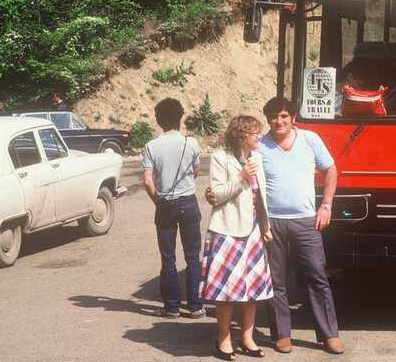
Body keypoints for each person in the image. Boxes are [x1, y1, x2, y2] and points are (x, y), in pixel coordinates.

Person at [207, 97, 344, 355]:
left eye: (283, 116)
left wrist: (326, 205)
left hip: (306, 221)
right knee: (275, 281)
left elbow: (331, 169)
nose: (278, 121)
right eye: (273, 117)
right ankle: (282, 334)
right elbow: (238, 174)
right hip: (270, 224)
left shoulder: (310, 140)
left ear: (293, 117)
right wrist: (212, 193)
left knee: (316, 276)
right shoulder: (259, 146)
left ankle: (329, 335)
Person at [200, 116, 273, 360]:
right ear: (241, 135)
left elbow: (261, 195)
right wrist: (240, 175)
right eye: (254, 133)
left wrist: (265, 225)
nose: (259, 138)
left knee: (252, 289)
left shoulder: (257, 158)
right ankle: (223, 340)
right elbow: (217, 194)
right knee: (227, 290)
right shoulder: (221, 157)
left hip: (252, 229)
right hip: (227, 229)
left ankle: (247, 338)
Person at [142, 98, 204, 319]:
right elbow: (195, 171)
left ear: (158, 120)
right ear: (180, 117)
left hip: (165, 203)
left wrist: (158, 200)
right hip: (188, 200)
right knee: (193, 256)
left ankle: (172, 307)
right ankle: (196, 306)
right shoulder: (192, 143)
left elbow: (148, 182)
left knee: (168, 257)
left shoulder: (151, 146)